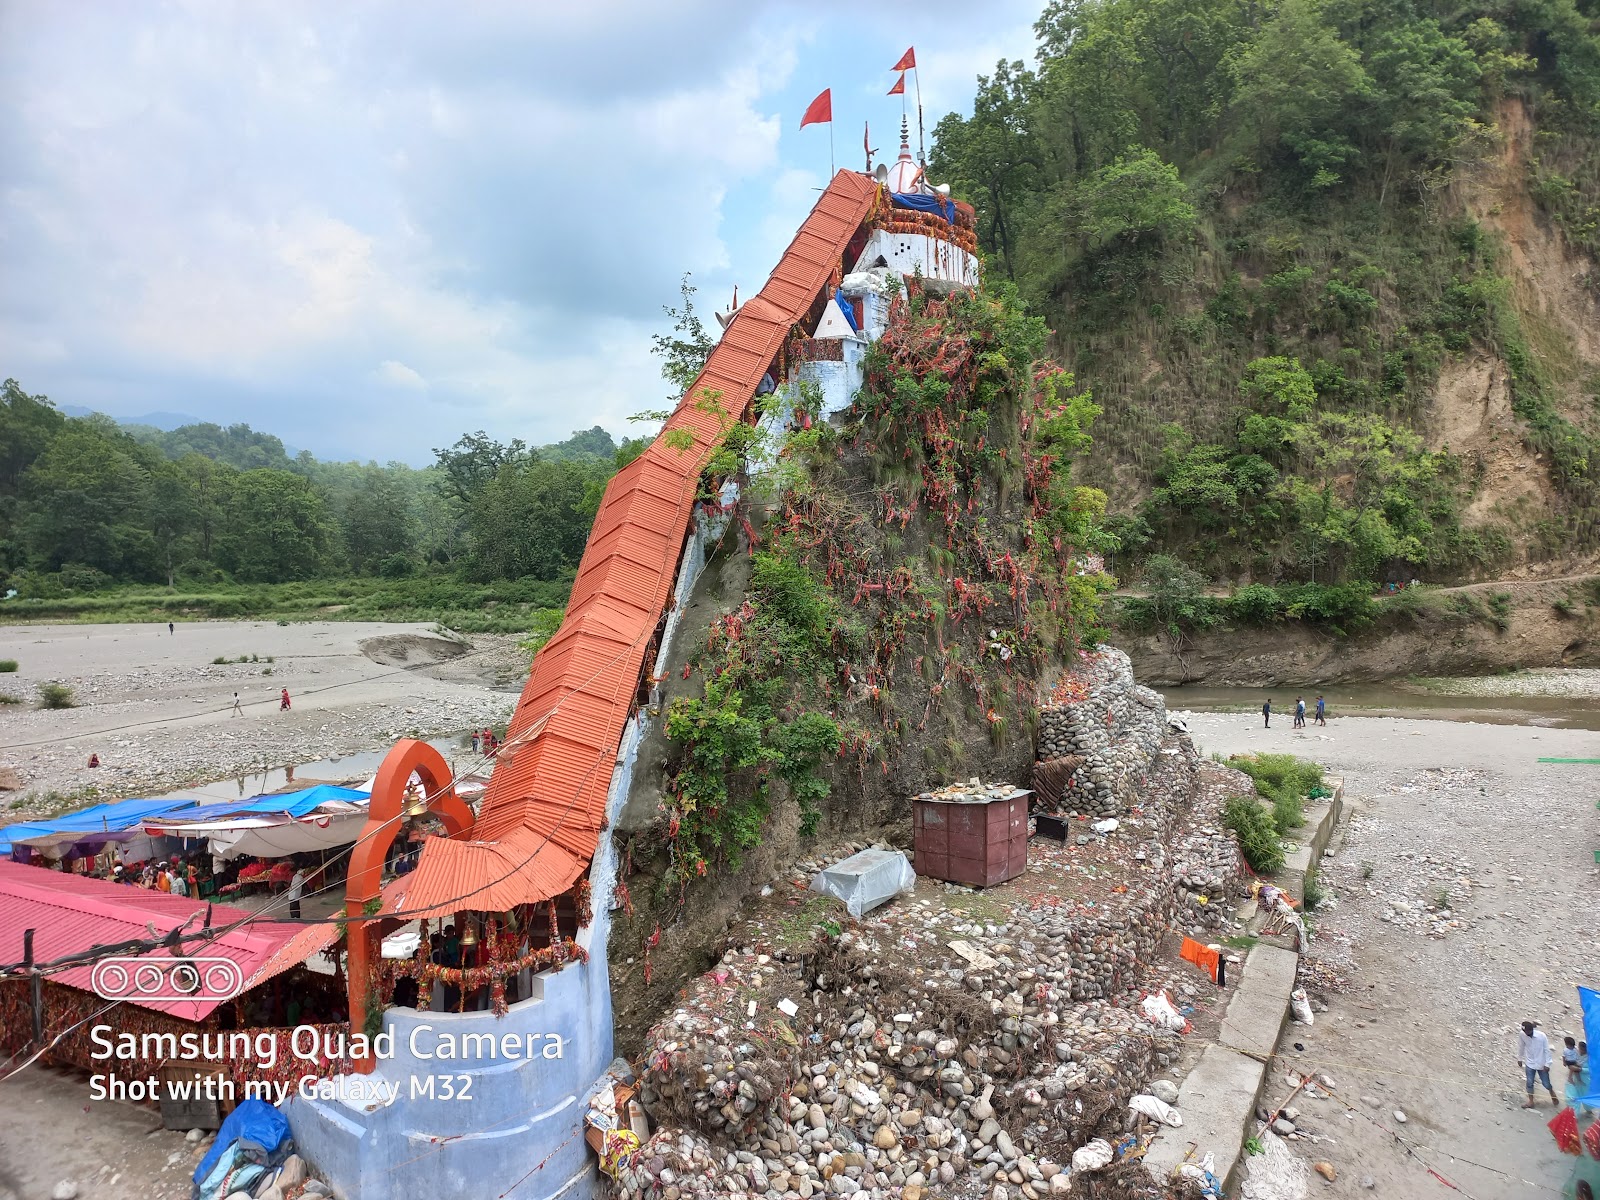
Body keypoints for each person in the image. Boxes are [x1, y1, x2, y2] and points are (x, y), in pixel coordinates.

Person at [1519, 1020, 1559, 1107]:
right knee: (1529, 1083)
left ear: (1531, 1030)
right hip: (1530, 1063)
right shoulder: (1522, 1035)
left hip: (1541, 1063)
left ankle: (1552, 1093)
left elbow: (1546, 1050)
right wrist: (1520, 1058)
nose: (1526, 1034)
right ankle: (1531, 1101)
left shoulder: (1541, 1036)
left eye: (1527, 1032)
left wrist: (1548, 1064)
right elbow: (1521, 1046)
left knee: (1546, 1083)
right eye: (1524, 1032)